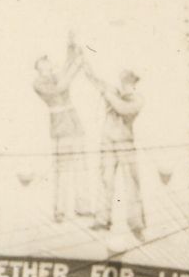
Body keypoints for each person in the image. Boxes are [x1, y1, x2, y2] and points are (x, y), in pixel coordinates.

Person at [82, 62, 147, 239]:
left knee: (131, 183)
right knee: (106, 180)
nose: (125, 85)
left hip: (125, 143)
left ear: (133, 83)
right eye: (123, 81)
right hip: (108, 142)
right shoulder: (114, 92)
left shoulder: (137, 100)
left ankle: (136, 224)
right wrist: (86, 66)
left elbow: (122, 109)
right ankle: (102, 220)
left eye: (128, 82)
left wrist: (108, 95)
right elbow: (96, 81)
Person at [33, 35, 91, 222]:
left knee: (81, 167)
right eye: (45, 62)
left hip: (75, 125)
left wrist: (71, 46)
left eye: (48, 62)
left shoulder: (55, 76)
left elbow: (67, 66)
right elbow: (61, 87)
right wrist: (77, 66)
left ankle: (83, 207)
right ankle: (60, 210)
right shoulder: (39, 83)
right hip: (61, 128)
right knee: (62, 170)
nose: (49, 64)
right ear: (39, 67)